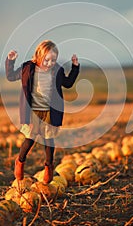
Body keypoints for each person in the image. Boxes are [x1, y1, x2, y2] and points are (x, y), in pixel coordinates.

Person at [5, 40, 80, 184]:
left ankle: (48, 166)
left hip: (49, 111)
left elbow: (68, 83)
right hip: (32, 110)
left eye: (53, 60)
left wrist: (75, 67)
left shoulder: (57, 70)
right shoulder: (28, 67)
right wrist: (10, 61)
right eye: (47, 60)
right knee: (30, 138)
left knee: (48, 140)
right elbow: (11, 76)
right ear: (39, 55)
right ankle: (20, 161)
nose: (49, 63)